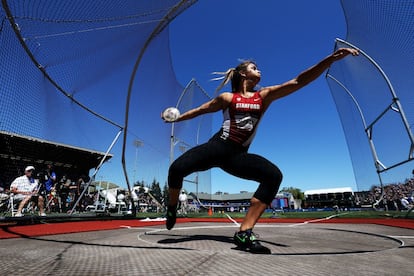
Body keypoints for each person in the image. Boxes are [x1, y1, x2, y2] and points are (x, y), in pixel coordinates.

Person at [162, 47, 359, 254]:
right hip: (217, 146)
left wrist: (330, 59)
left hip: (237, 156)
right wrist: (178, 117)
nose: (260, 71)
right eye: (254, 68)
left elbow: (299, 81)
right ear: (242, 74)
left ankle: (244, 232)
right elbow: (201, 110)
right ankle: (172, 208)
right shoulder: (228, 98)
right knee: (176, 169)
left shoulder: (264, 96)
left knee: (273, 175)